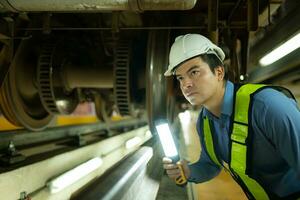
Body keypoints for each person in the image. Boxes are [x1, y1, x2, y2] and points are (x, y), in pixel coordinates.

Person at [162, 33, 300, 199]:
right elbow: (211, 164)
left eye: (194, 72)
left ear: (219, 72)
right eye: (180, 78)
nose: (186, 84)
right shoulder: (205, 121)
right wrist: (187, 170)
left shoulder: (267, 106)